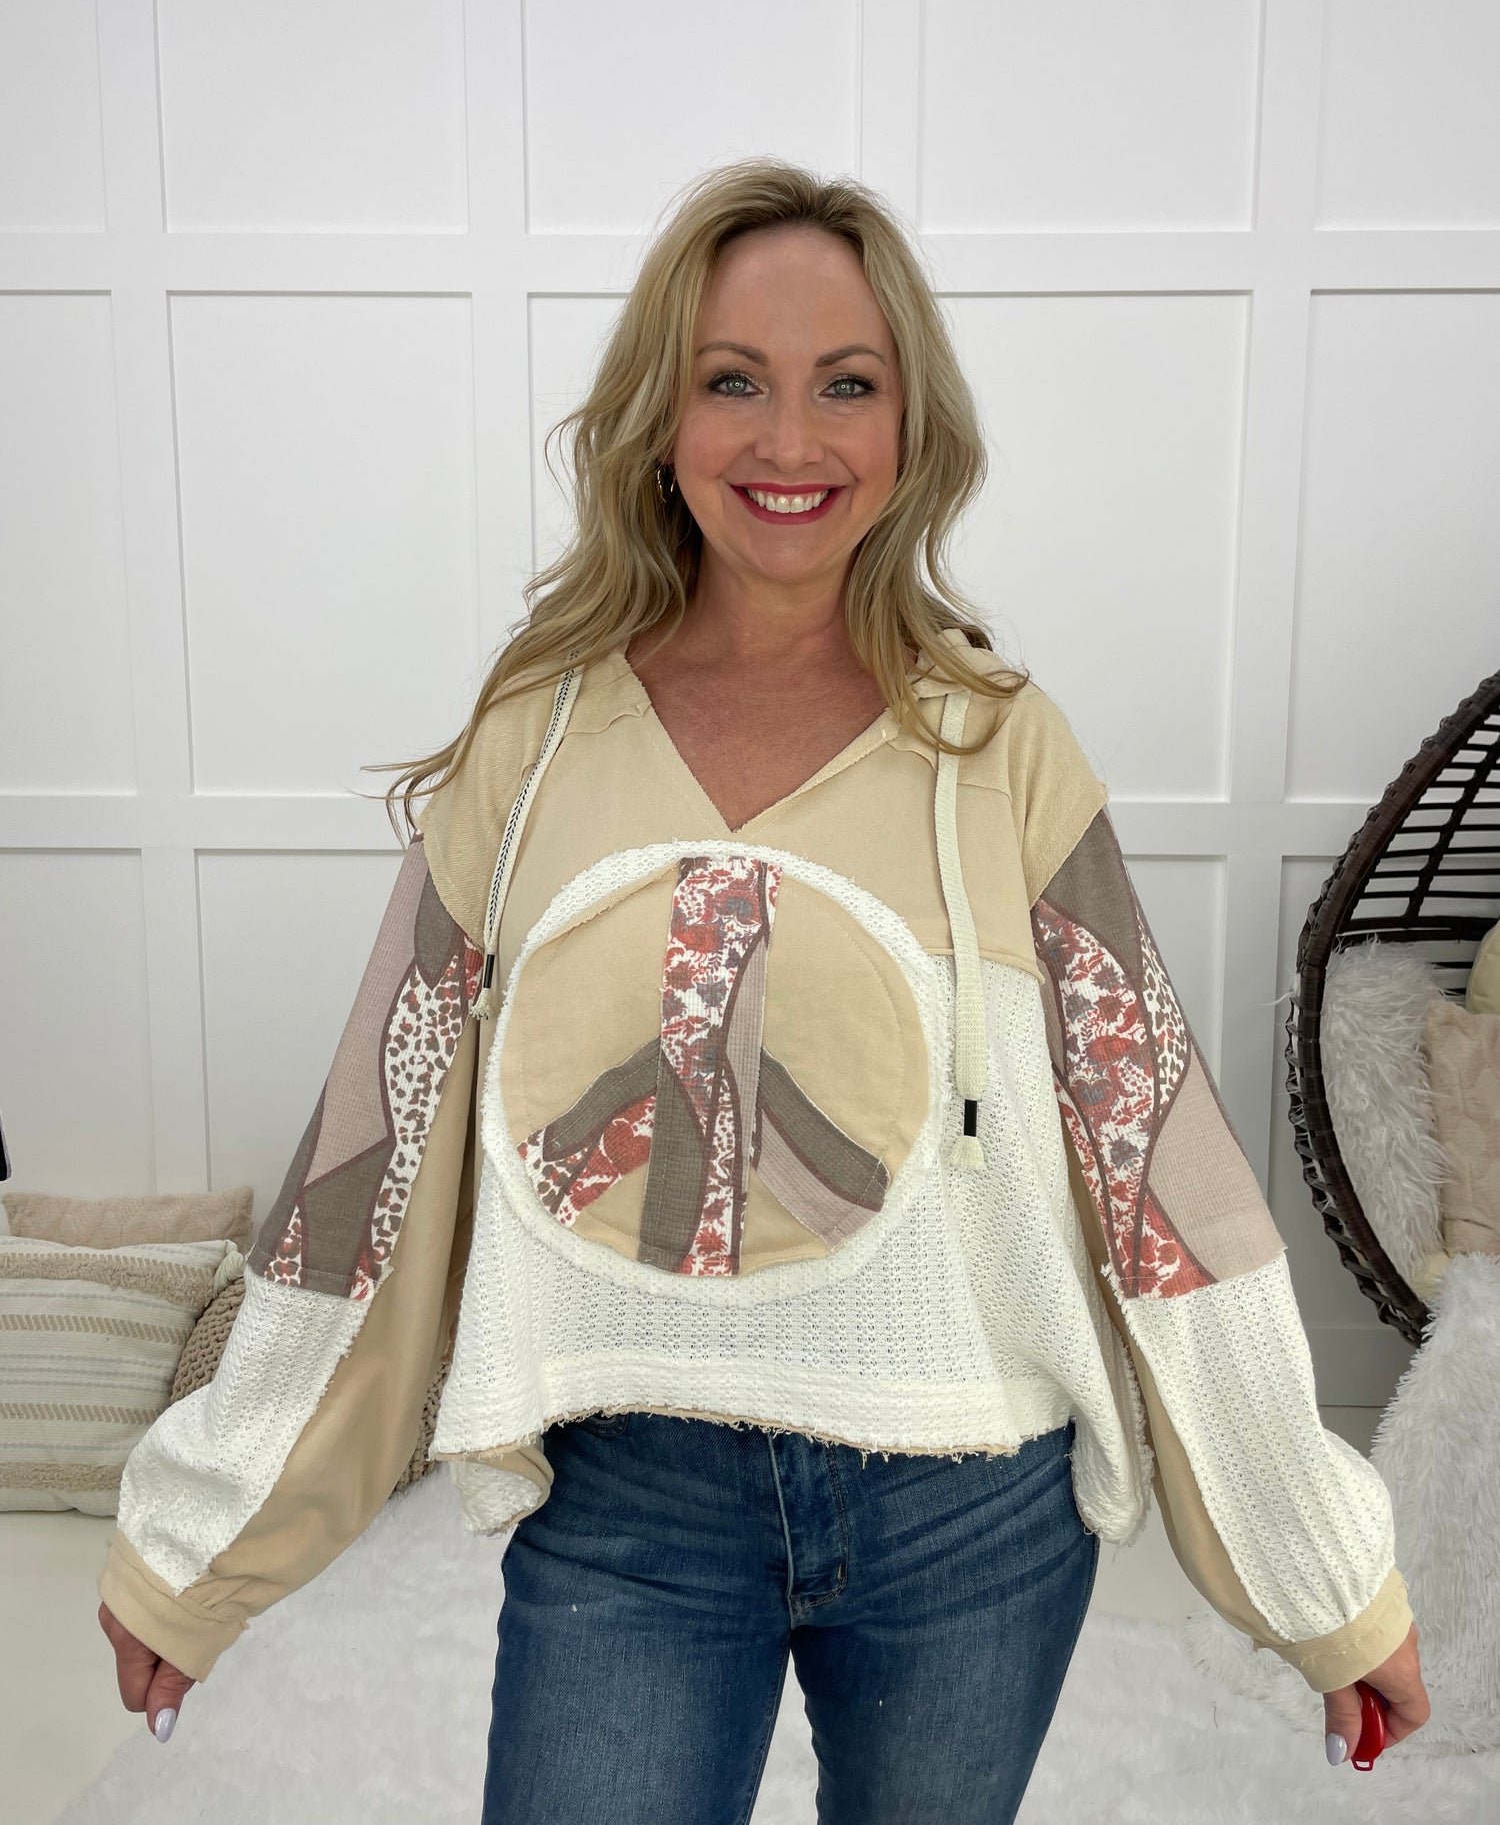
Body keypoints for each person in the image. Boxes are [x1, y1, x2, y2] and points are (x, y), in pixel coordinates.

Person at [98, 158, 1429, 1821]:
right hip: (632, 1501)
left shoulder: (999, 749)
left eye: (845, 384)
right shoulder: (535, 747)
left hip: (973, 1514)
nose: (789, 441)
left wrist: (1323, 1582)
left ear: (911, 428)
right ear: (661, 418)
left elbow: (1164, 1180)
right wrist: (202, 1548)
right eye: (733, 380)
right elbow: (372, 1173)